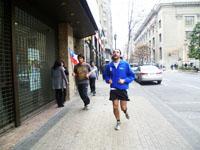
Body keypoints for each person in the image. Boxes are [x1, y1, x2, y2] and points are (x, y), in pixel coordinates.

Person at [104, 49, 135, 130]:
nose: (115, 53)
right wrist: (108, 80)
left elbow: (132, 76)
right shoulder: (109, 65)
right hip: (113, 88)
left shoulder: (125, 64)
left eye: (117, 52)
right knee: (115, 106)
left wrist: (124, 80)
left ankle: (125, 112)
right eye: (114, 52)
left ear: (120, 54)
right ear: (112, 54)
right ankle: (118, 121)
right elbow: (105, 75)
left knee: (123, 107)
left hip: (123, 88)